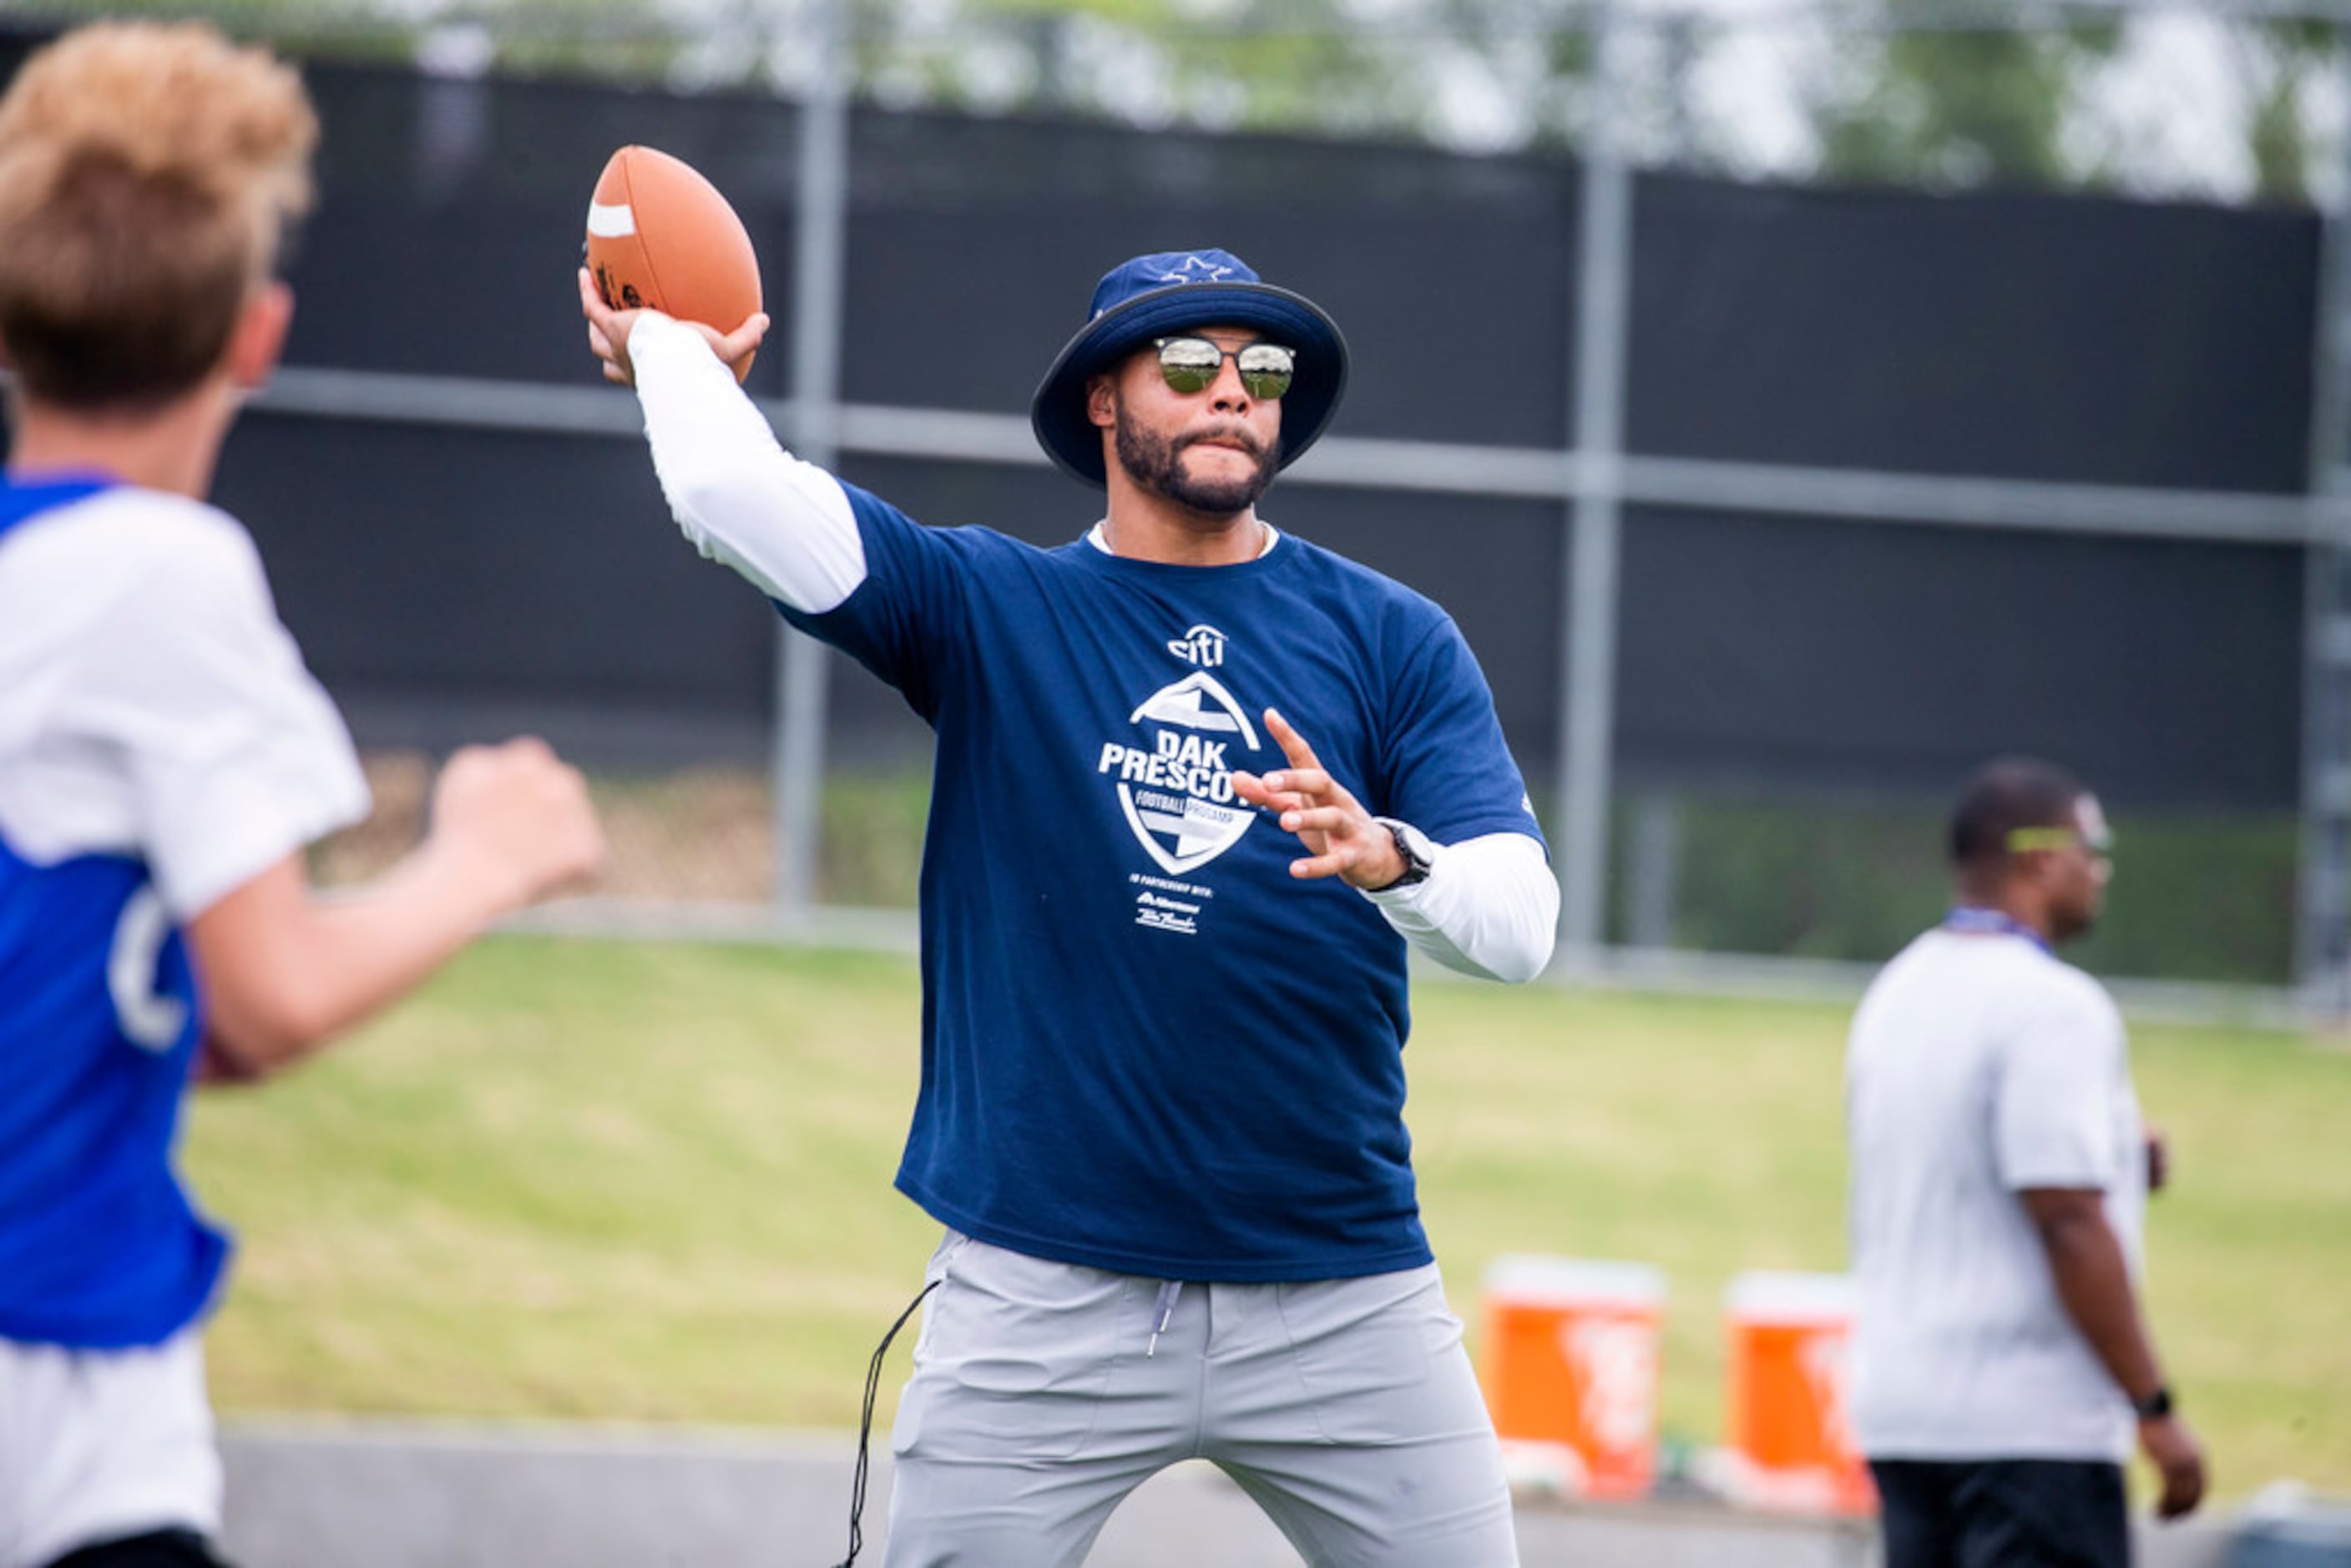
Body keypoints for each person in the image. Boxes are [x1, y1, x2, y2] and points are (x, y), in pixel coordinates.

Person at [580, 246, 1558, 1565]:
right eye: (1191, 363)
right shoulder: (995, 606)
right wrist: (667, 348)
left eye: (1262, 369)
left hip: (1342, 1290)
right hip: (1043, 1294)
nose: (1234, 392)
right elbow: (724, 490)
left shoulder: (1392, 637)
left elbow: (1524, 922)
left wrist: (1395, 856)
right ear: (1104, 397)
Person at [0, 24, 605, 1568]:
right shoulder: (160, 573)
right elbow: (264, 1006)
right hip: (54, 1363)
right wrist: (485, 856)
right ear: (254, 336)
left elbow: (156, 1016)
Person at [1845, 757, 2207, 1568]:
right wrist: (2151, 1407)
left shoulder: (1896, 990)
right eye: (2092, 845)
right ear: (2040, 856)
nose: (2099, 868)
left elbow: (1953, 1163)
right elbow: (2068, 1223)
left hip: (1902, 1415)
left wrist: (2111, 1158)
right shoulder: (2053, 1006)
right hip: (2028, 1428)